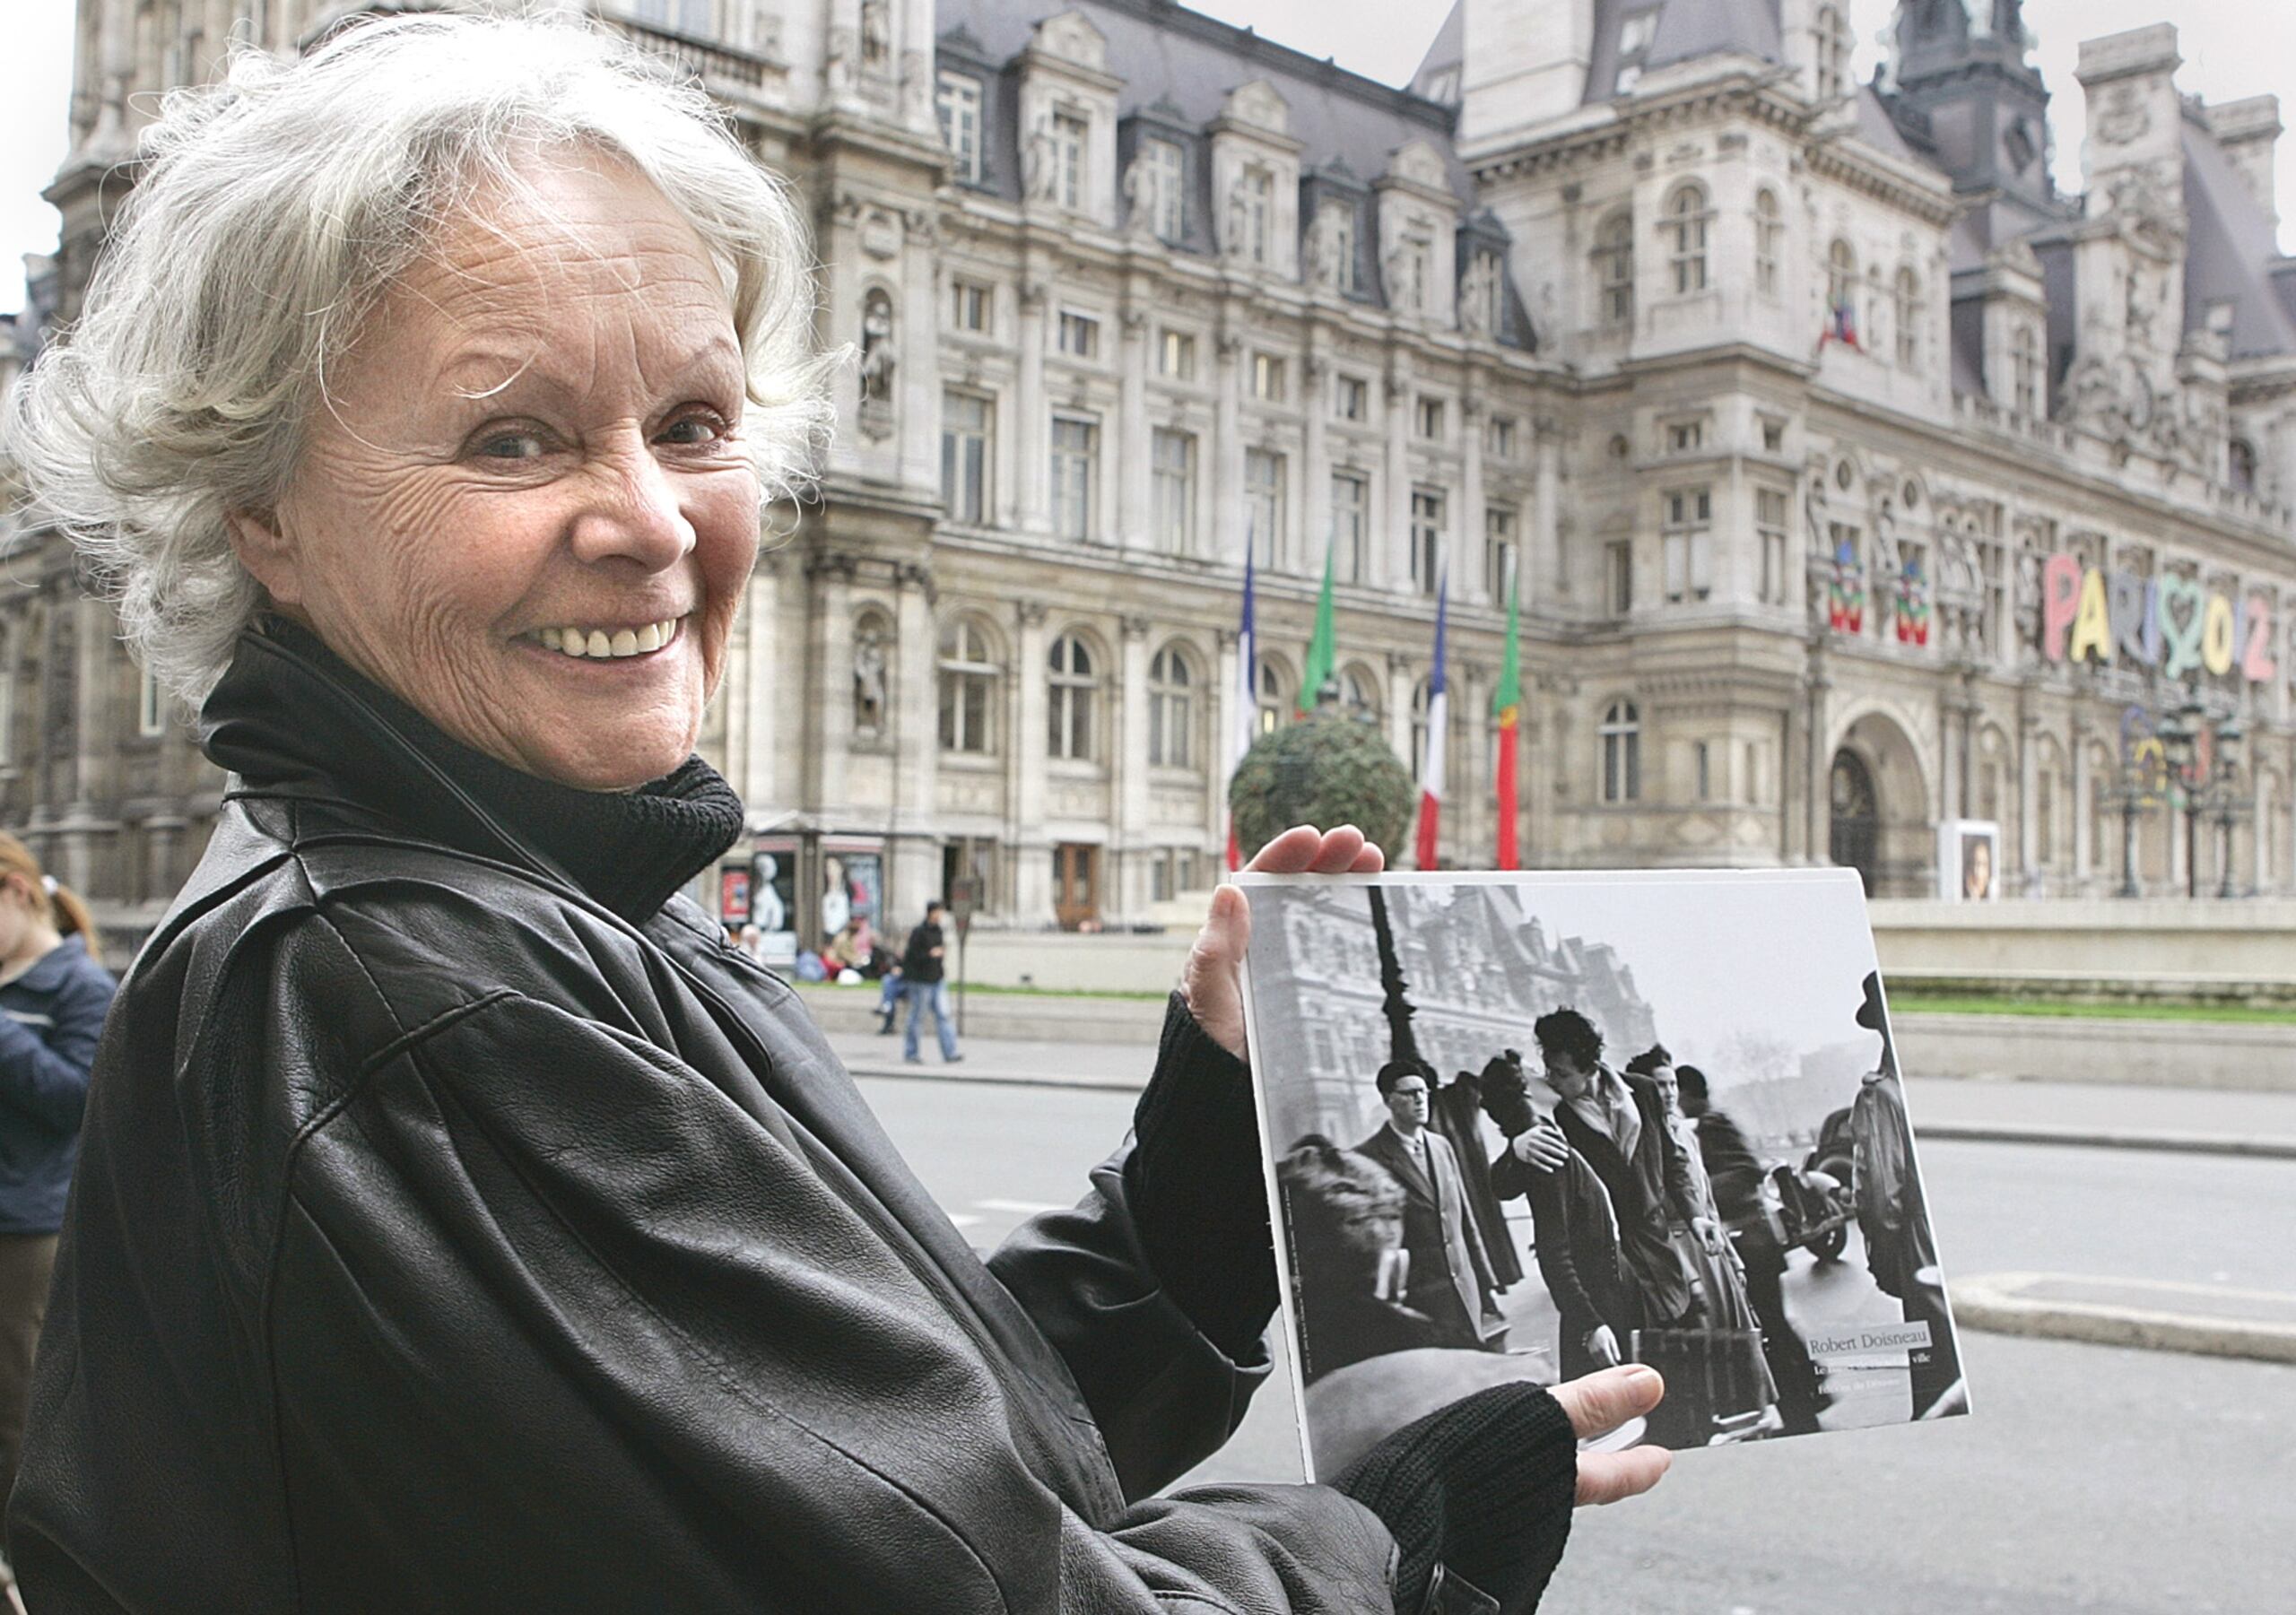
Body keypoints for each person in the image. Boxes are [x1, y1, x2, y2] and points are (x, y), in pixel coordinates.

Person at [1, 17, 1666, 1610]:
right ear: (264, 516)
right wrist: (1402, 1523)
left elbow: (897, 1455)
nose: (652, 524)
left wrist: (1211, 1161)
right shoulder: (424, 997)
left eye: (695, 424)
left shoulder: (518, 898)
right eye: (512, 438)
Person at [0, 836, 116, 1536]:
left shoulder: (81, 987)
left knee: (14, 1402)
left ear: (16, 891)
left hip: (25, 1229)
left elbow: (79, 1100)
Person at [1530, 1010, 1715, 1333]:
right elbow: (1504, 1183)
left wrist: (1694, 1214)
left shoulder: (1643, 1091)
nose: (1552, 1080)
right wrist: (1521, 1141)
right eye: (1548, 1071)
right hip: (1608, 1265)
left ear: (1588, 1067)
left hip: (1660, 1250)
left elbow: (1672, 1162)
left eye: (1560, 1072)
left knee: (1684, 1347)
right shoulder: (1556, 1115)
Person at [1674, 1065, 1826, 1436]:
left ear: (1691, 1095)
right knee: (1774, 1324)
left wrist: (1700, 1191)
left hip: (1751, 1242)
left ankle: (1803, 1412)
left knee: (1770, 1327)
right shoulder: (1710, 1123)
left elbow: (1746, 1171)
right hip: (1754, 1241)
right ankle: (1811, 1397)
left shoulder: (1711, 1125)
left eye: (1677, 1093)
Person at [1478, 1052, 1644, 1381]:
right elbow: (1554, 1253)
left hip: (1604, 1298)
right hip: (1599, 1305)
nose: (1549, 1077)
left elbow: (1502, 1183)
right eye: (1537, 1072)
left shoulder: (1545, 1136)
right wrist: (1591, 1325)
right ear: (1526, 1091)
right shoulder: (1545, 1148)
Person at [1848, 972, 1961, 1420]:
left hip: (1919, 1242)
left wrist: (1886, 1258)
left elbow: (1880, 1198)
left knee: (1936, 1372)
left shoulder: (1880, 1095)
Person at [1276, 1137, 1452, 1384]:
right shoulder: (1410, 1335)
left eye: (1393, 1216)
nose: (1389, 1232)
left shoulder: (1284, 1332)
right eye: (1359, 1220)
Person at [1352, 1060, 1500, 1350]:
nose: (1420, 1100)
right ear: (1387, 1100)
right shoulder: (1368, 1158)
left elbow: (1465, 1219)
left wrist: (1485, 1281)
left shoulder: (1441, 1146)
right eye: (1408, 1093)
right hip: (1421, 1299)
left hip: (1465, 1289)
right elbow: (1379, 1246)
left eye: (1423, 1092)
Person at [900, 899, 961, 1065]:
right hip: (921, 980)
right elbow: (911, 956)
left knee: (944, 1015)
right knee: (917, 1017)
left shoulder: (938, 931)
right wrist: (930, 954)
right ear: (931, 913)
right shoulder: (919, 932)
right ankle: (911, 1052)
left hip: (936, 979)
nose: (940, 915)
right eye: (938, 912)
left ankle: (950, 1052)